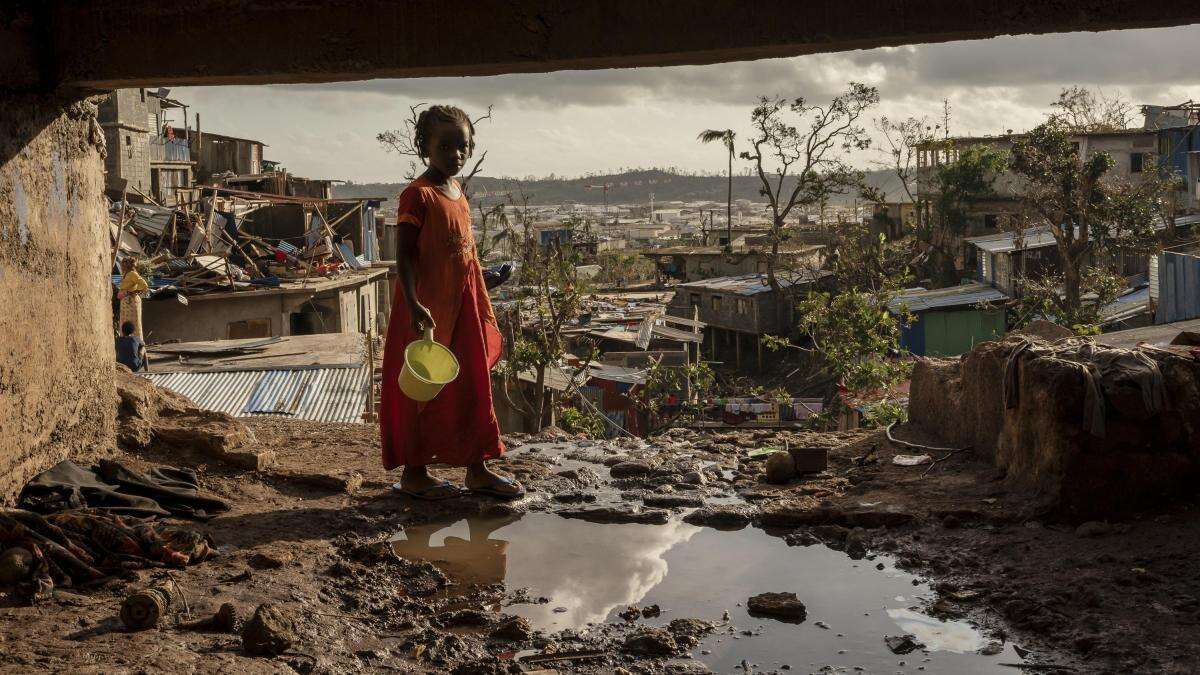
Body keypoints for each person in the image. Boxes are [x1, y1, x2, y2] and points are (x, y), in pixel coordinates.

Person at [379, 105, 524, 501]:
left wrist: (484, 284)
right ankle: (414, 472)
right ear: (424, 146)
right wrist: (412, 303)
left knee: (472, 385)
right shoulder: (417, 196)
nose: (455, 155)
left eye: (462, 147)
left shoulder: (457, 192)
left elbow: (463, 254)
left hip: (462, 306)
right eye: (445, 146)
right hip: (425, 312)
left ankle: (477, 469)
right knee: (420, 393)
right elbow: (404, 258)